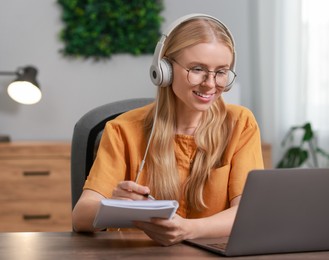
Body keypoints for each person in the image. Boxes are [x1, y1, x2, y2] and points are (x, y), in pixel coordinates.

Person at [72, 13, 264, 246]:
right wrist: (114, 206)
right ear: (164, 70)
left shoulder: (240, 124)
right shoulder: (122, 130)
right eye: (197, 69)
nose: (210, 84)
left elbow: (248, 215)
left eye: (221, 72)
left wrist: (187, 229)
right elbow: (80, 217)